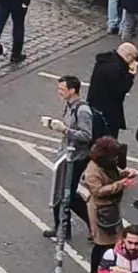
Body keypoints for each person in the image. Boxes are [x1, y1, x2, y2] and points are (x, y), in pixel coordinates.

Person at [45, 75, 99, 239]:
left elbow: (86, 135)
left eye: (62, 89)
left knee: (64, 193)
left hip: (77, 158)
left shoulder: (82, 110)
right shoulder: (70, 106)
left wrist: (64, 130)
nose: (59, 92)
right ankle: (64, 227)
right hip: (67, 156)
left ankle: (66, 228)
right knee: (64, 192)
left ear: (72, 90)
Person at [85, 138, 138, 273]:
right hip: (101, 210)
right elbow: (98, 191)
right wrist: (121, 184)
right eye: (114, 156)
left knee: (110, 243)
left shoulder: (107, 164)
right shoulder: (92, 170)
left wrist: (125, 174)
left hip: (111, 208)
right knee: (102, 244)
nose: (116, 159)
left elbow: (115, 175)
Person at [91, 41, 138, 141]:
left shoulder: (105, 61)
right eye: (134, 58)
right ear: (128, 55)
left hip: (95, 107)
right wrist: (131, 75)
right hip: (107, 113)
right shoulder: (115, 68)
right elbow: (121, 89)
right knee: (107, 143)